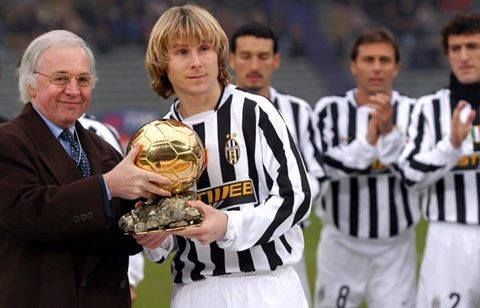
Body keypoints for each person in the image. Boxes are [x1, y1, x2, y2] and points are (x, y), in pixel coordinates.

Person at [134, 4, 312, 308]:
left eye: (204, 49)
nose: (196, 62)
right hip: (197, 291)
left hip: (269, 286)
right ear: (163, 64)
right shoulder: (155, 141)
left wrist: (227, 225)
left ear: (219, 55)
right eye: (181, 52)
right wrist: (154, 235)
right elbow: (162, 245)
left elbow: (296, 197)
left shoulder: (256, 112)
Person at [0, 29, 172, 307]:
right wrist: (106, 187)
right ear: (31, 85)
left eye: (83, 79)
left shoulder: (104, 150)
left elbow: (121, 235)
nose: (73, 90)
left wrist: (147, 228)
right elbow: (31, 214)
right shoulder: (8, 142)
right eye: (60, 78)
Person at [312, 28, 420, 308]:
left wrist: (390, 132)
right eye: (368, 59)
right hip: (341, 245)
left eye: (384, 60)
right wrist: (371, 140)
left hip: (395, 248)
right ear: (353, 65)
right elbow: (327, 165)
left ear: (396, 67)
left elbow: (417, 172)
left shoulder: (415, 111)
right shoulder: (329, 111)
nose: (376, 68)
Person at [229, 22, 325, 305]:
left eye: (263, 56)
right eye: (246, 56)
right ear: (232, 59)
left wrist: (282, 207)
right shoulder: (217, 112)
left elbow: (315, 176)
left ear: (277, 60)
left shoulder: (299, 112)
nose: (254, 64)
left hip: (286, 241)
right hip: (231, 249)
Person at [399, 13, 480, 308]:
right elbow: (409, 174)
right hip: (449, 239)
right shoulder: (427, 108)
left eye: (472, 47)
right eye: (456, 49)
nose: (464, 56)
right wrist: (451, 145)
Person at [77, 114, 145, 303]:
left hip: (102, 264)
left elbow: (124, 203)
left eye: (82, 82)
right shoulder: (22, 135)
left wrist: (130, 277)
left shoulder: (102, 132)